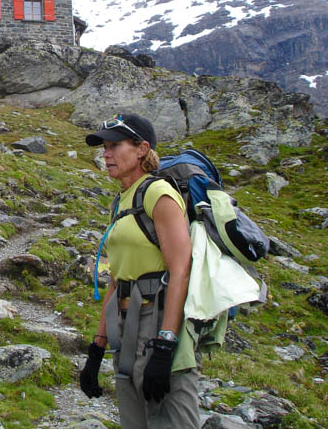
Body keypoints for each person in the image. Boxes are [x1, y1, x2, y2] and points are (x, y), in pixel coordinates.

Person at [79, 113, 199, 429]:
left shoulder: (159, 194)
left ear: (142, 149)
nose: (106, 154)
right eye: (104, 147)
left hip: (158, 321)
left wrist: (166, 344)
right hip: (125, 329)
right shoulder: (121, 202)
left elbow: (180, 270)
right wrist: (97, 348)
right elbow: (117, 279)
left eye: (115, 145)